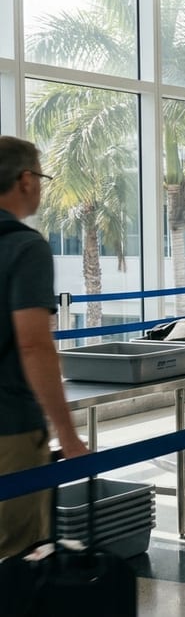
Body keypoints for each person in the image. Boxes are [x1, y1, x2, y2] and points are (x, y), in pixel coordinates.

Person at [0, 136, 89, 560]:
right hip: (10, 425)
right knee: (15, 553)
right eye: (40, 175)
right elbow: (34, 345)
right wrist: (68, 436)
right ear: (25, 180)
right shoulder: (25, 247)